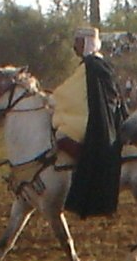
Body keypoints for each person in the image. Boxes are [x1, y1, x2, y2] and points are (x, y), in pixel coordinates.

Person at [51, 26, 128, 218]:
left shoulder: (91, 66)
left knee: (60, 133)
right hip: (97, 115)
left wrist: (52, 99)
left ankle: (82, 168)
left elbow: (69, 94)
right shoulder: (99, 64)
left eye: (78, 41)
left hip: (92, 118)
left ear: (86, 43)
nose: (74, 46)